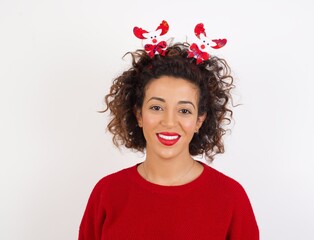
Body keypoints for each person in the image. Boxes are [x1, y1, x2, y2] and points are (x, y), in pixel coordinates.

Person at [79, 25, 259, 239]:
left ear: (199, 120)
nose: (169, 122)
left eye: (184, 110)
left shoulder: (231, 198)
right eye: (156, 107)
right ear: (138, 114)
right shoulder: (107, 193)